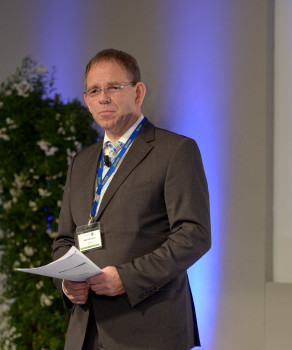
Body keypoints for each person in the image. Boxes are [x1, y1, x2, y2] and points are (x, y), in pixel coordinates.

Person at [52, 49, 211, 349]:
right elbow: (64, 240)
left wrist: (127, 277)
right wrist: (66, 282)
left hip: (149, 331)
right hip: (85, 332)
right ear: (86, 100)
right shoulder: (81, 162)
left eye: (113, 87)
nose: (103, 98)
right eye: (95, 90)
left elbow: (194, 235)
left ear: (138, 92)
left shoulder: (175, 151)